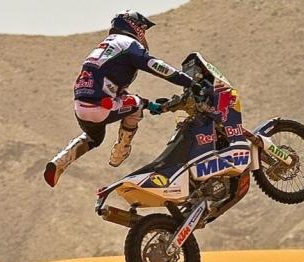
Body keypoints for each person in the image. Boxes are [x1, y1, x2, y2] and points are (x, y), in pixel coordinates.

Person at [44, 9, 204, 188]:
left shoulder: (105, 46)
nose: (143, 33)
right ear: (133, 25)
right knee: (136, 106)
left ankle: (59, 161)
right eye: (142, 28)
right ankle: (121, 150)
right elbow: (156, 66)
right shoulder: (128, 43)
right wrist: (190, 82)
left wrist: (151, 105)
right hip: (101, 107)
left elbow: (117, 93)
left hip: (81, 107)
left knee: (94, 137)